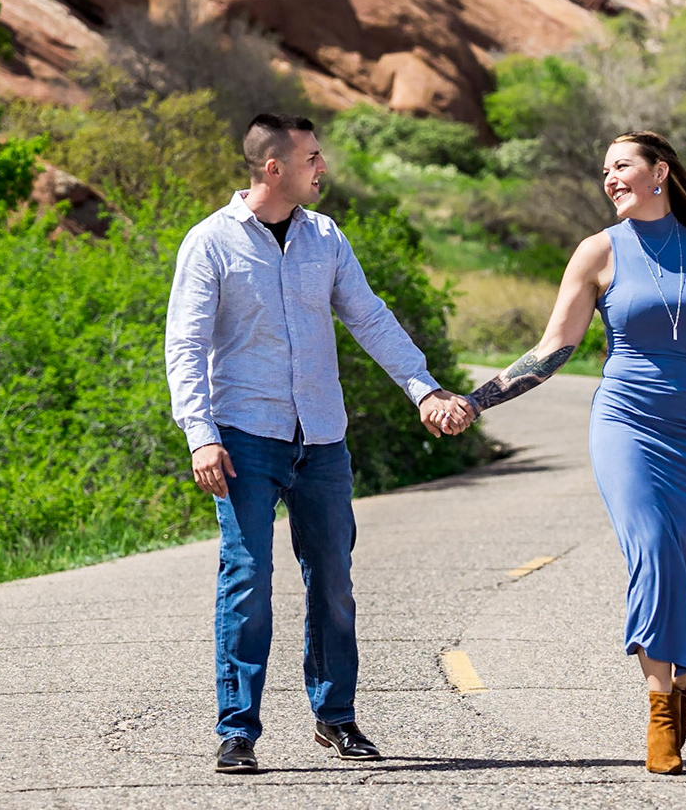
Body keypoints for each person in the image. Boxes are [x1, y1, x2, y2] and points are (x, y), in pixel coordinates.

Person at [165, 112, 475, 775]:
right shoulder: (212, 243)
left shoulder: (325, 239)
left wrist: (424, 389)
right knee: (248, 580)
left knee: (333, 581)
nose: (321, 167)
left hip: (322, 439)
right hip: (245, 437)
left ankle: (335, 719)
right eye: (311, 157)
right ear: (274, 167)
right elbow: (186, 347)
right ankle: (237, 730)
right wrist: (200, 436)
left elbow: (368, 316)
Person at [453, 130, 686, 775]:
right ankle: (659, 708)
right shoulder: (597, 252)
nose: (610, 178)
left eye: (622, 166)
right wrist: (478, 401)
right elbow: (551, 350)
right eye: (604, 170)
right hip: (627, 419)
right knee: (650, 545)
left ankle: (684, 680)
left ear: (661, 173)